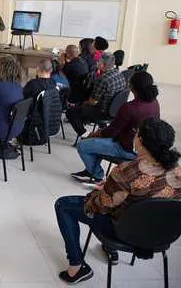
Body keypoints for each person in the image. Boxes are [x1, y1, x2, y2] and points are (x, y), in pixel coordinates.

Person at [54, 118, 181, 285]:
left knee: (63, 205)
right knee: (125, 205)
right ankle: (109, 248)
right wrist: (111, 189)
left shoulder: (126, 170)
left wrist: (97, 192)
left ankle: (76, 267)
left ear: (140, 141)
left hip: (123, 232)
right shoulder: (178, 171)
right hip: (161, 235)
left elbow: (99, 207)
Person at [71, 71, 160, 184]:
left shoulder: (129, 108)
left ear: (132, 87)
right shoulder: (154, 103)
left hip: (126, 149)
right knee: (97, 142)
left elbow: (111, 132)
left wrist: (95, 134)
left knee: (83, 145)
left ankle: (96, 175)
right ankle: (92, 171)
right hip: (146, 149)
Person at [66, 53, 127, 139]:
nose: (96, 63)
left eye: (98, 61)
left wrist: (84, 103)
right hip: (115, 110)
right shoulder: (120, 74)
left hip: (102, 111)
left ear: (102, 64)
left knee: (71, 112)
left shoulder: (103, 79)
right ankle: (102, 127)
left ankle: (85, 135)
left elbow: (93, 102)